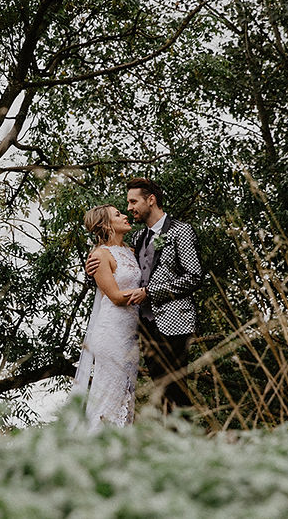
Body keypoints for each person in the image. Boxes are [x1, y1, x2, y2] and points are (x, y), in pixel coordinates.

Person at [86, 178, 203, 413]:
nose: (129, 208)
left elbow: (194, 276)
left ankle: (187, 443)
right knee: (161, 390)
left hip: (174, 322)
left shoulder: (181, 231)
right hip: (145, 328)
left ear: (151, 200)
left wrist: (150, 292)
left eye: (133, 201)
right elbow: (117, 267)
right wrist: (90, 271)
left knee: (175, 388)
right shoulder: (138, 240)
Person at [72, 205, 146, 430]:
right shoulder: (99, 255)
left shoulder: (132, 252)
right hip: (112, 332)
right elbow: (114, 296)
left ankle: (117, 450)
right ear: (105, 225)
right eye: (117, 214)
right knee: (109, 396)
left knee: (125, 396)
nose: (125, 215)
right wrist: (147, 293)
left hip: (130, 335)